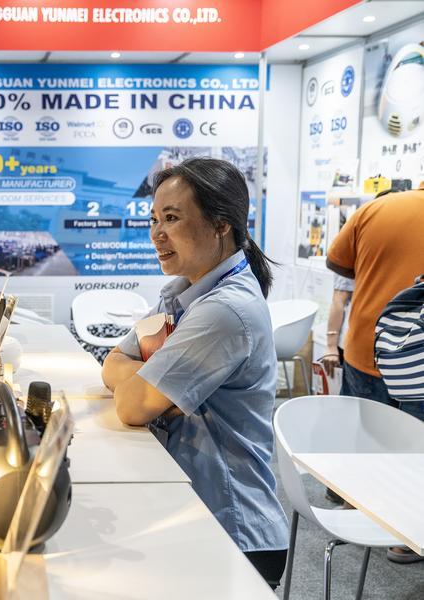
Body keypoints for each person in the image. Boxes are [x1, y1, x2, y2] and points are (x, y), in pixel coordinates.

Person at [101, 158, 289, 589]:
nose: (156, 233)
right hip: (194, 510)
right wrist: (151, 383)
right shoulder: (182, 294)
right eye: (153, 219)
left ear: (221, 224)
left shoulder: (224, 310)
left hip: (232, 529)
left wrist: (146, 388)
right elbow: (112, 362)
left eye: (171, 218)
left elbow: (131, 405)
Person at [326, 182, 424, 564]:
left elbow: (339, 264)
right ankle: (406, 536)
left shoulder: (375, 209)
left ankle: (355, 507)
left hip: (367, 342)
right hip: (418, 360)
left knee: (365, 434)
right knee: (414, 448)